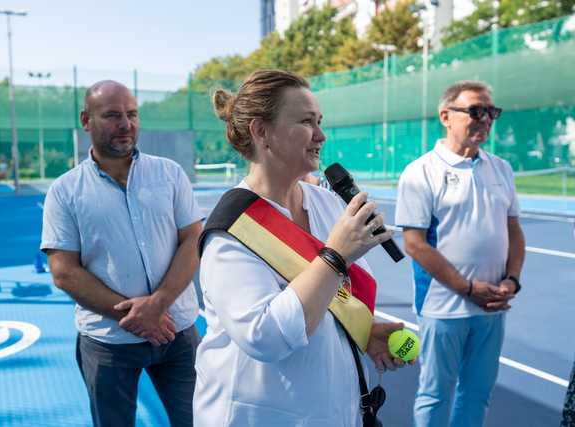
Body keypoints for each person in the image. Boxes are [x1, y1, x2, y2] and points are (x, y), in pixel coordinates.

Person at [194, 69, 409, 427]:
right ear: (262, 131)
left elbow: (334, 299)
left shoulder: (326, 203)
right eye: (307, 122)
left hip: (335, 411)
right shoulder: (230, 232)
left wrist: (363, 330)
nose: (321, 135)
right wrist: (335, 255)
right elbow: (265, 337)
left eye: (320, 122)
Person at [41, 80, 204, 427]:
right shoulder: (65, 191)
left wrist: (158, 304)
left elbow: (193, 239)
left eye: (131, 114)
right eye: (112, 115)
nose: (126, 125)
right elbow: (64, 271)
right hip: (108, 342)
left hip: (178, 332)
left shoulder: (169, 173)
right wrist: (137, 316)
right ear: (86, 121)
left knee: (199, 420)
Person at [395, 80, 526, 427]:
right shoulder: (420, 172)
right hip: (443, 307)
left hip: (493, 306)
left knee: (477, 392)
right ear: (445, 116)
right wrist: (467, 288)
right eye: (475, 111)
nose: (485, 119)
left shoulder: (501, 169)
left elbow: (514, 231)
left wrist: (512, 281)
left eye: (491, 112)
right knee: (435, 394)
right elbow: (415, 244)